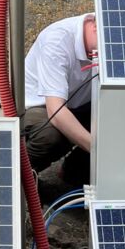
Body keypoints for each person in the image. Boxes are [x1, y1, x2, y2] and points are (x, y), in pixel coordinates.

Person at [21, 12, 97, 184]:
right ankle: (18, 178)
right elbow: (56, 111)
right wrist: (98, 151)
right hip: (38, 107)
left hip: (80, 104)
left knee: (118, 121)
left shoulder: (111, 38)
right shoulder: (57, 41)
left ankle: (73, 177)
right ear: (94, 26)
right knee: (51, 135)